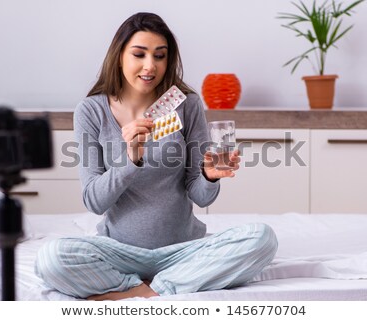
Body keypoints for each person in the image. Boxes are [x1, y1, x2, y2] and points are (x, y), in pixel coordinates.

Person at [35, 12, 277, 300]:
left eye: (160, 56)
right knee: (51, 258)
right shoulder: (91, 111)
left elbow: (202, 197)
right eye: (139, 54)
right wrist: (132, 160)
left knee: (262, 239)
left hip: (182, 251)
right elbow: (94, 201)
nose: (150, 66)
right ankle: (157, 286)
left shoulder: (186, 105)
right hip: (119, 252)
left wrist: (209, 176)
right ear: (119, 56)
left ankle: (148, 291)